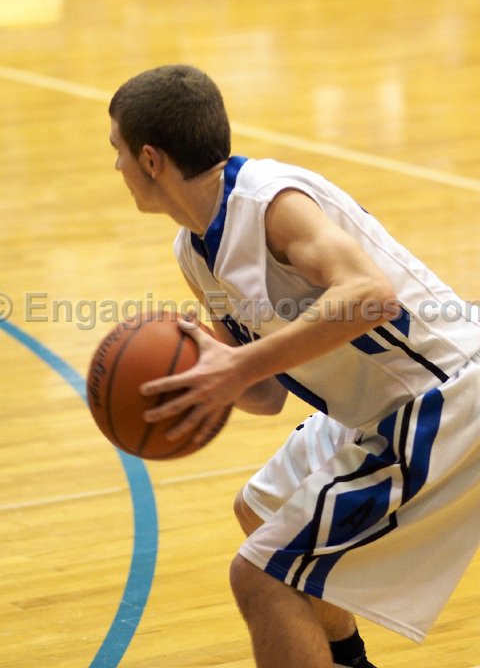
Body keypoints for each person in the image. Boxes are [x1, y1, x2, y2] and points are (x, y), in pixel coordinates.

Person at [108, 64, 480, 668]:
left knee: (261, 576)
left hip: (448, 395)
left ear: (150, 160)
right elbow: (265, 394)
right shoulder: (193, 250)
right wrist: (200, 371)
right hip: (377, 409)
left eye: (118, 150)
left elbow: (371, 296)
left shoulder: (269, 202)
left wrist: (235, 366)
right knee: (260, 511)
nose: (116, 166)